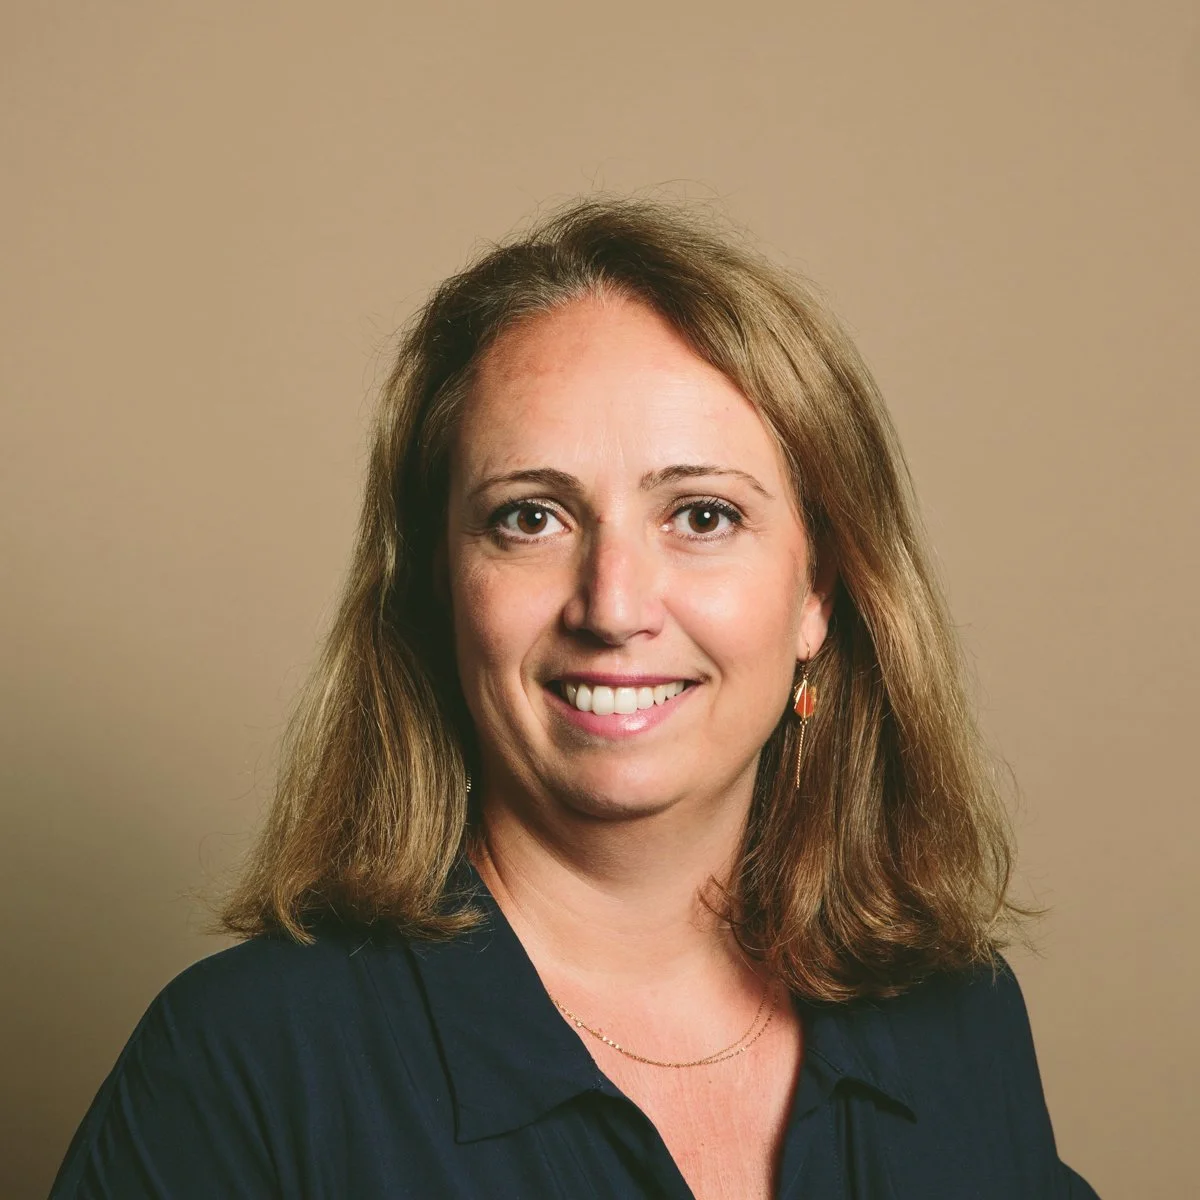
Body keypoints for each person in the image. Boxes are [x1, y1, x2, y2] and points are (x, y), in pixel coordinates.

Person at [50, 199, 1099, 1199]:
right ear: (439, 589)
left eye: (700, 515)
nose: (613, 605)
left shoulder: (958, 1018)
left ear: (819, 593)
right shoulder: (245, 1068)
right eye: (531, 517)